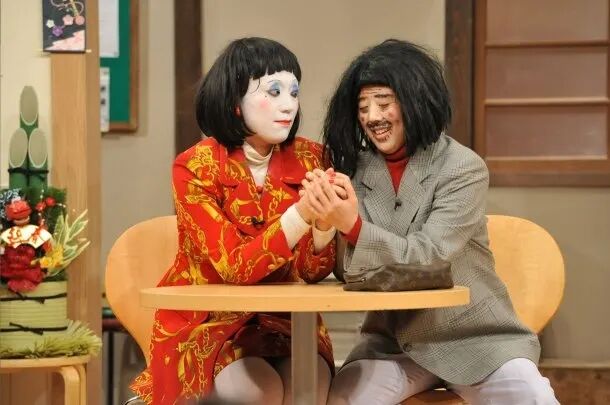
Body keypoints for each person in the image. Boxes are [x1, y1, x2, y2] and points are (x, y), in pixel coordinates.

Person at [299, 39, 559, 404]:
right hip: (392, 344)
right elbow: (350, 272)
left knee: (533, 396)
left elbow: (430, 257)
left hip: (476, 337)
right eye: (363, 107)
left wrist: (353, 226)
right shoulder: (355, 170)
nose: (372, 117)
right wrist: (324, 223)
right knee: (344, 399)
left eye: (384, 103)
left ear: (416, 101)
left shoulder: (462, 167)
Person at [131, 37, 336, 405]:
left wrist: (324, 224)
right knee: (255, 391)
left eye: (294, 92)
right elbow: (234, 266)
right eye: (273, 92)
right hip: (212, 320)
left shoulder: (312, 158)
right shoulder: (195, 167)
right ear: (235, 103)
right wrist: (301, 215)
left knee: (310, 388)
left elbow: (312, 271)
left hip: (289, 320)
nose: (288, 105)